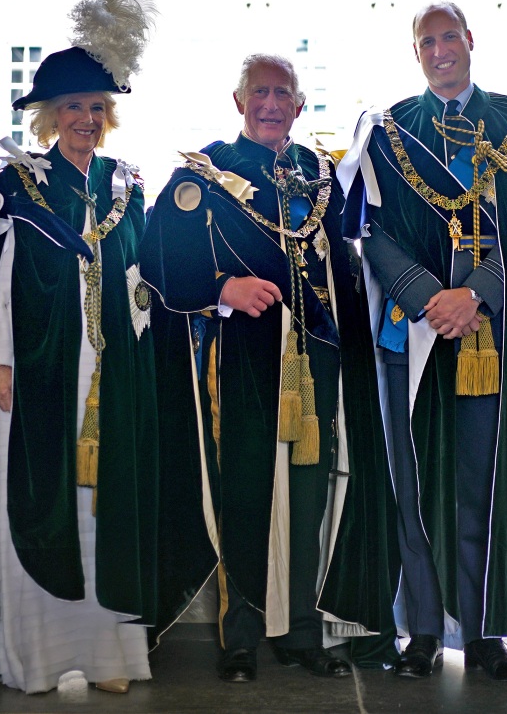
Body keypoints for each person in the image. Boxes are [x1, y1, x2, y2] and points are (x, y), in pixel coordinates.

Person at [337, 2, 507, 681]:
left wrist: (475, 294)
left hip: (492, 341)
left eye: (448, 38)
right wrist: (428, 298)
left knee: (482, 485)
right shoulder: (389, 129)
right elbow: (371, 233)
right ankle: (423, 631)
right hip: (412, 335)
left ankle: (485, 633)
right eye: (426, 41)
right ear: (417, 52)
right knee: (417, 485)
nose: (439, 50)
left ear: (469, 42)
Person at [141, 53, 398, 684]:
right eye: (261, 92)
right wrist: (222, 287)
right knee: (247, 495)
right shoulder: (202, 173)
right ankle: (242, 634)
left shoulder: (320, 174)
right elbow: (157, 261)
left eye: (284, 94)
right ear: (238, 101)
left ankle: (302, 633)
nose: (272, 104)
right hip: (242, 366)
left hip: (319, 363)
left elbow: (347, 259)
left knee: (310, 501)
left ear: (300, 106)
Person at [0, 0, 160, 694]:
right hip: (36, 378)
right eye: (73, 108)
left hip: (111, 380)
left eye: (97, 107)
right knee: (38, 508)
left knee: (104, 515)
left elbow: (141, 281)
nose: (86, 119)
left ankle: (108, 659)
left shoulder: (126, 187)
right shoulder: (19, 187)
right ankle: (34, 658)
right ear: (49, 116)